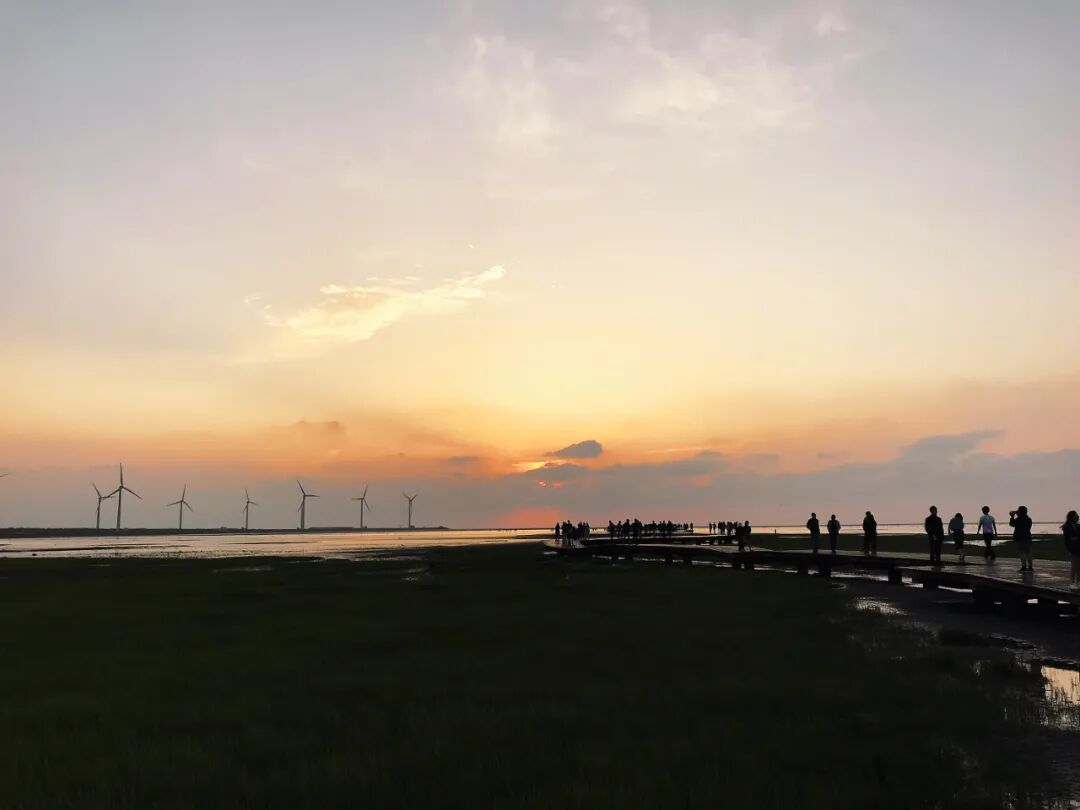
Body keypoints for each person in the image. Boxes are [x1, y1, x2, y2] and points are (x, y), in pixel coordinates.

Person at [1009, 506, 1034, 572]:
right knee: (1028, 552)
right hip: (1027, 537)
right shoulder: (1029, 519)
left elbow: (1011, 524)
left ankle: (1024, 567)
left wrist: (1012, 516)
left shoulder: (1018, 519)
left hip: (1019, 537)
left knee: (1022, 552)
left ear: (1020, 512)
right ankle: (1030, 567)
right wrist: (1017, 514)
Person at [1062, 510, 1080, 590]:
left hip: (1079, 547)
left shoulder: (1078, 526)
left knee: (1079, 567)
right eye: (1076, 515)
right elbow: (1067, 539)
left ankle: (1078, 582)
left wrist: (1075, 538)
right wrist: (1068, 550)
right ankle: (1072, 582)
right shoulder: (1067, 527)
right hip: (1072, 548)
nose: (1077, 517)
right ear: (1072, 517)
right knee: (1074, 566)